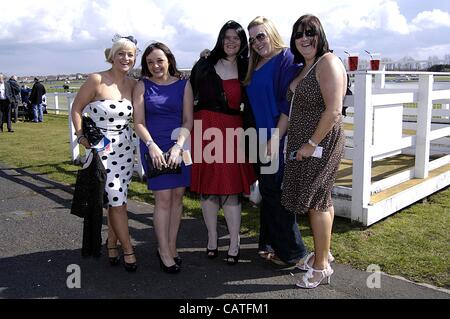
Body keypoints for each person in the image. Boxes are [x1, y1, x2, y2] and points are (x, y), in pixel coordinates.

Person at [281, 14, 347, 288]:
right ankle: (324, 252)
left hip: (319, 142)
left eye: (310, 33)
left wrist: (311, 144)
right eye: (299, 34)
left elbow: (333, 111)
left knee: (315, 200)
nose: (304, 39)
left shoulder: (328, 62)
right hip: (304, 142)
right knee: (322, 198)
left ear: (320, 36)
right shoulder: (305, 66)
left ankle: (321, 267)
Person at [190, 20, 257, 265]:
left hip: (232, 133)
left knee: (230, 190)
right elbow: (189, 93)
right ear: (220, 39)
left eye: (236, 38)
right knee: (208, 189)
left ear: (242, 43)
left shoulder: (247, 67)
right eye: (227, 37)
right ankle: (212, 236)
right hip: (205, 131)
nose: (231, 42)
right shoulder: (205, 63)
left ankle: (234, 241)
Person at [71, 35, 139, 272]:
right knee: (117, 200)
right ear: (112, 55)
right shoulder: (96, 79)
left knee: (116, 200)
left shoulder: (132, 84)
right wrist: (81, 137)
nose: (126, 58)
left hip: (124, 149)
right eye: (121, 53)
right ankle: (128, 249)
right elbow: (76, 109)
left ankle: (111, 243)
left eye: (130, 54)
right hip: (101, 151)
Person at [243, 16, 308, 265]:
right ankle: (269, 245)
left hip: (278, 137)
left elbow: (288, 102)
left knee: (277, 195)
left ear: (271, 32)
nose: (257, 42)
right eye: (252, 40)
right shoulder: (256, 63)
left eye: (260, 35)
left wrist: (275, 138)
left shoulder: (285, 58)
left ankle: (295, 253)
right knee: (269, 193)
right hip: (259, 137)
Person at [133, 42, 193, 274]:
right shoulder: (142, 86)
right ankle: (163, 251)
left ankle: (171, 245)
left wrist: (178, 147)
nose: (155, 65)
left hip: (179, 146)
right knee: (163, 199)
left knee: (178, 197)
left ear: (169, 59)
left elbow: (188, 120)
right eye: (150, 62)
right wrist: (151, 146)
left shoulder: (183, 85)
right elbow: (138, 122)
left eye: (159, 60)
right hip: (154, 146)